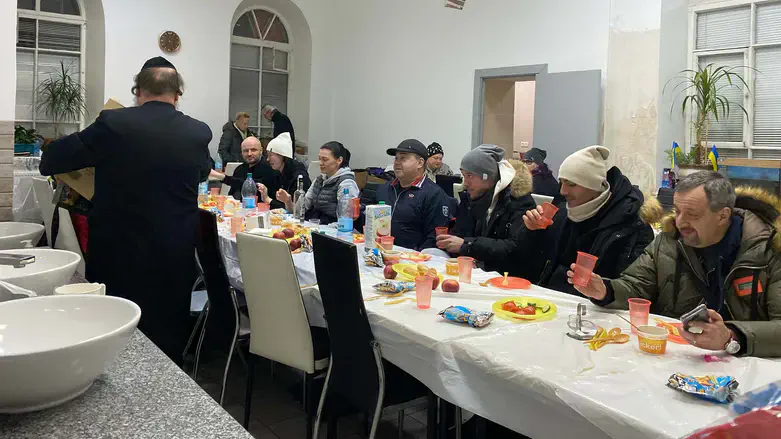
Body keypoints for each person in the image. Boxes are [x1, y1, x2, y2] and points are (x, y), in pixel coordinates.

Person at [39, 57, 212, 365]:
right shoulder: (198, 132)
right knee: (169, 325)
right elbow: (201, 173)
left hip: (119, 247)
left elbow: (53, 161)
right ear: (177, 95)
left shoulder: (114, 123)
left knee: (117, 324)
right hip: (174, 249)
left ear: (138, 91)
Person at [573, 172, 781, 358]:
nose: (680, 222)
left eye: (692, 214)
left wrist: (732, 336)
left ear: (722, 216)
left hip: (749, 367)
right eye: (677, 210)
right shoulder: (669, 241)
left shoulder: (769, 249)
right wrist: (605, 290)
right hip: (676, 357)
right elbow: (637, 286)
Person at [522, 145, 661, 296]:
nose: (563, 191)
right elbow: (533, 264)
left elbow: (637, 289)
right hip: (552, 301)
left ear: (595, 186)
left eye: (572, 184)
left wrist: (605, 291)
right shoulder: (561, 212)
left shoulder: (632, 225)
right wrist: (532, 232)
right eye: (562, 182)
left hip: (599, 311)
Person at [436, 146, 536, 276]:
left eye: (470, 175)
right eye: (463, 175)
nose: (465, 183)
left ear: (487, 176)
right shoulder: (469, 198)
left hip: (503, 276)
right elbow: (459, 234)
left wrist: (468, 245)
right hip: (472, 268)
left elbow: (513, 248)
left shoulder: (518, 201)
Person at [374, 139, 450, 251]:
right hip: (378, 252)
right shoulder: (384, 189)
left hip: (413, 260)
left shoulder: (434, 194)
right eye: (396, 158)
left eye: (403, 158)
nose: (397, 162)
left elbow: (433, 239)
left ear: (420, 163)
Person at [298, 142, 360, 224]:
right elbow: (301, 209)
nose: (320, 163)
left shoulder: (346, 184)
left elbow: (345, 221)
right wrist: (288, 201)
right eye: (319, 158)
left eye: (325, 159)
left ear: (339, 160)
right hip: (314, 224)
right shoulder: (319, 180)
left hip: (331, 229)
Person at [211, 136, 277, 201]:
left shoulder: (270, 168)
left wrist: (222, 177)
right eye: (245, 151)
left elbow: (252, 187)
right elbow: (232, 195)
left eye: (253, 150)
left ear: (261, 151)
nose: (249, 154)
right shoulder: (239, 169)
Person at [258, 132, 311, 210]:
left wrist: (268, 200)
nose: (268, 159)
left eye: (271, 155)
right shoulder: (277, 173)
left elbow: (294, 209)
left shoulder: (299, 177)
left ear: (282, 155)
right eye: (267, 155)